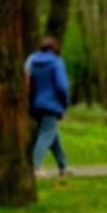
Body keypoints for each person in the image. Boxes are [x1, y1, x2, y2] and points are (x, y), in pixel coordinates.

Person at [26, 36, 71, 178]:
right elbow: (62, 86)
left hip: (36, 104)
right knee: (46, 135)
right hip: (52, 104)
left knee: (53, 135)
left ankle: (63, 166)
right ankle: (35, 167)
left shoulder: (33, 62)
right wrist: (64, 103)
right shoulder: (56, 62)